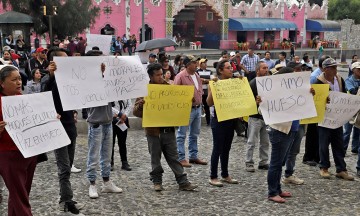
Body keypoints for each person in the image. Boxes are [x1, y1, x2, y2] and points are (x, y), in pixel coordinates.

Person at [133, 63, 198, 192]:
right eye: (157, 75)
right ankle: (157, 181)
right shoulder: (145, 90)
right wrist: (141, 106)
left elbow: (177, 106)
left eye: (161, 74)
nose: (161, 77)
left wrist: (187, 101)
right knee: (155, 158)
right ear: (150, 76)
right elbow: (136, 112)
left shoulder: (170, 88)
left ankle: (183, 181)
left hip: (168, 130)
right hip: (153, 132)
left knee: (174, 157)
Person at [262, 67, 314, 203]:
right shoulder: (274, 92)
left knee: (280, 162)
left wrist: (310, 94)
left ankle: (278, 189)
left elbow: (303, 104)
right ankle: (272, 192)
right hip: (280, 130)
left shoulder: (295, 91)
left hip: (292, 129)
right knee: (276, 163)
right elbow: (262, 110)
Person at [41, 47, 83, 214]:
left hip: (70, 126)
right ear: (54, 62)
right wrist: (51, 76)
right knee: (64, 167)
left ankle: (64, 197)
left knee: (69, 164)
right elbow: (42, 96)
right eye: (64, 59)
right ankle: (67, 200)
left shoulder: (69, 78)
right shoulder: (48, 80)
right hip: (57, 127)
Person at [85, 50, 122, 199]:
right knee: (93, 156)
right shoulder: (87, 80)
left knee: (107, 156)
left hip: (108, 122)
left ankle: (106, 182)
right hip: (95, 123)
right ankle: (92, 184)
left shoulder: (107, 78)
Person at [0, 65, 37, 215]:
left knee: (20, 193)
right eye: (14, 79)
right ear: (2, 83)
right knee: (20, 195)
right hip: (9, 154)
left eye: (20, 79)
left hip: (28, 153)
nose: (18, 82)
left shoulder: (22, 98)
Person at [314, 58, 354, 181]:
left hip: (337, 117)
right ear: (326, 69)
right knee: (324, 144)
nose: (336, 70)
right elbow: (315, 99)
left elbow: (343, 93)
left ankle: (341, 169)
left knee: (339, 143)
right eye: (333, 68)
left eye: (336, 67)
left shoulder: (339, 79)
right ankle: (324, 167)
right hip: (324, 118)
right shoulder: (318, 81)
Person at [207, 60, 239, 187]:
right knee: (218, 148)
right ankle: (213, 176)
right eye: (228, 68)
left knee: (227, 148)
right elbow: (209, 103)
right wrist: (214, 88)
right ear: (220, 70)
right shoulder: (214, 83)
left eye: (231, 67)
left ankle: (225, 174)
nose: (231, 70)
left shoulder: (234, 82)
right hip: (219, 119)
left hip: (230, 118)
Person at [174, 55, 207, 167]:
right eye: (193, 63)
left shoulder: (196, 75)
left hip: (197, 108)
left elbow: (199, 90)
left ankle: (193, 156)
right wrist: (185, 99)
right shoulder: (180, 76)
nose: (196, 64)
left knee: (194, 134)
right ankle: (181, 157)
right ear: (187, 64)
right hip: (186, 109)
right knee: (181, 134)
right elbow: (175, 93)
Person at [303, 55, 331, 166]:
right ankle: (309, 156)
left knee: (319, 134)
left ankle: (317, 156)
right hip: (314, 108)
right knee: (312, 133)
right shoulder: (315, 77)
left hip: (321, 108)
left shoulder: (324, 76)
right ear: (324, 66)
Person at [245, 61, 270, 172]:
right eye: (264, 68)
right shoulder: (252, 83)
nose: (266, 70)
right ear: (258, 70)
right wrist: (255, 102)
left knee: (265, 142)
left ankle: (263, 162)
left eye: (267, 68)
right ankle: (249, 162)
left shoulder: (269, 82)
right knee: (251, 141)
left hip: (266, 117)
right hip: (255, 117)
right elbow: (247, 101)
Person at [344, 62, 360, 156]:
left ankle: (355, 148)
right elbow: (353, 91)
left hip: (358, 109)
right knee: (347, 131)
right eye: (358, 69)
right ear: (354, 71)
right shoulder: (349, 80)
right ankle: (343, 149)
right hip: (349, 109)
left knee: (357, 129)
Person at [111, 100, 132, 171]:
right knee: (111, 143)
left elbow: (129, 105)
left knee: (122, 143)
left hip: (123, 120)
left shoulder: (125, 92)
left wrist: (124, 115)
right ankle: (110, 162)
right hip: (111, 120)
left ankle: (124, 162)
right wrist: (119, 114)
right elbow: (108, 106)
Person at [196, 58, 211, 126]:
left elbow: (211, 80)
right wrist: (206, 80)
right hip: (200, 91)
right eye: (204, 63)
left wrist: (204, 80)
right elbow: (199, 80)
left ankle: (208, 121)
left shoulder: (209, 71)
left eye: (206, 63)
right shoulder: (197, 71)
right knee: (199, 106)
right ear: (200, 64)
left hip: (207, 90)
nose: (206, 64)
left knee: (207, 106)